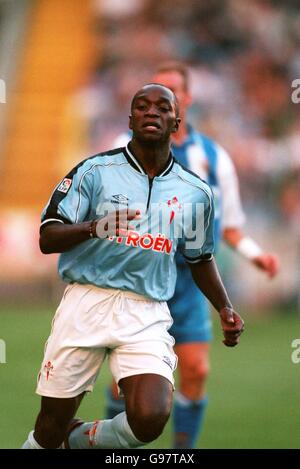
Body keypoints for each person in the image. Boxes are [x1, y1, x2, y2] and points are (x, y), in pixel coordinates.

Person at [22, 83, 244, 449]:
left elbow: (200, 258)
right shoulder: (94, 171)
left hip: (146, 310)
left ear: (176, 122)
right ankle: (58, 437)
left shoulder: (195, 191)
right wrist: (94, 227)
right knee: (49, 428)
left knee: (150, 418)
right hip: (87, 303)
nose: (151, 112)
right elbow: (48, 236)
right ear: (130, 119)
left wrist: (224, 307)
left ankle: (76, 441)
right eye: (142, 106)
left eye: (161, 107)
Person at [105, 63, 279, 448]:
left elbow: (230, 226)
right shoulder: (120, 148)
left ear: (185, 100)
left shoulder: (212, 157)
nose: (158, 104)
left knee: (196, 370)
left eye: (171, 93)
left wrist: (256, 255)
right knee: (124, 384)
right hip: (139, 278)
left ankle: (183, 452)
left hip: (189, 283)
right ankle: (109, 448)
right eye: (152, 95)